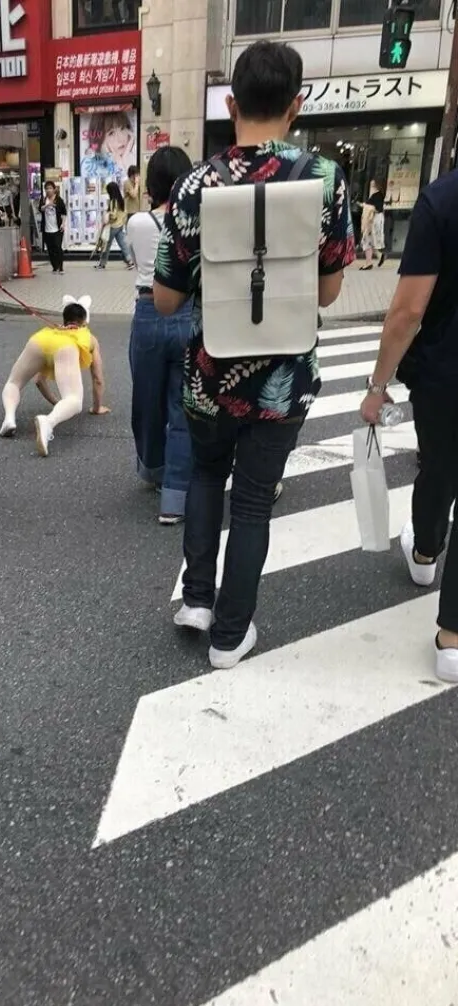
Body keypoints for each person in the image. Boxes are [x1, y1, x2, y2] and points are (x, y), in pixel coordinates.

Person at [154, 39, 354, 669]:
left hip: (212, 376)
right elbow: (327, 290)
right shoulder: (324, 180)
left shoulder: (193, 185)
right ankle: (230, 635)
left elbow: (164, 300)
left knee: (207, 477)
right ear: (297, 105)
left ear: (232, 103)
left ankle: (197, 600)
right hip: (284, 378)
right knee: (253, 501)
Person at [360, 166, 458, 682]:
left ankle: (424, 553)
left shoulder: (441, 200)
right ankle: (454, 639)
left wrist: (378, 386)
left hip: (446, 371)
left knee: (438, 465)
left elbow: (407, 311)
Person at [127, 146, 193, 526]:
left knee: (146, 401)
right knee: (183, 407)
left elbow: (137, 262)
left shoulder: (139, 222)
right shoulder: (196, 220)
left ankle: (153, 468)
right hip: (188, 312)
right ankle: (175, 497)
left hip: (150, 312)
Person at [0, 295, 110, 457]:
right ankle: (48, 422)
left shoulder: (53, 330)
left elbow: (39, 380)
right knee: (74, 400)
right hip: (66, 347)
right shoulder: (89, 338)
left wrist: (56, 403)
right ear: (85, 321)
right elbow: (97, 378)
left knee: (14, 382)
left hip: (40, 340)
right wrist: (97, 407)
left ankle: (9, 418)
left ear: (65, 319)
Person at [96, 181, 133, 270]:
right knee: (123, 244)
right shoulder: (121, 200)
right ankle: (130, 261)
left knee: (106, 245)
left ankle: (102, 264)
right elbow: (124, 213)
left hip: (112, 226)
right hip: (120, 225)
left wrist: (107, 220)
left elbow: (113, 215)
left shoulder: (113, 202)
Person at [39, 181, 67, 274]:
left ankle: (61, 267)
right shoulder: (43, 200)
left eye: (50, 188)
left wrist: (63, 224)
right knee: (50, 249)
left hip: (57, 228)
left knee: (58, 247)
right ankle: (55, 267)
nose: (48, 190)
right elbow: (41, 209)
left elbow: (64, 213)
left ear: (54, 189)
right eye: (47, 188)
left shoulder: (59, 200)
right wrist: (48, 204)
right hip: (46, 229)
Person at [360, 180, 386, 270]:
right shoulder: (378, 195)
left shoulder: (377, 195)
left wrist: (365, 206)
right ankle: (376, 257)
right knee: (370, 240)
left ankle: (369, 262)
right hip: (374, 220)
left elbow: (377, 208)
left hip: (372, 220)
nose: (371, 186)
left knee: (367, 239)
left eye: (373, 185)